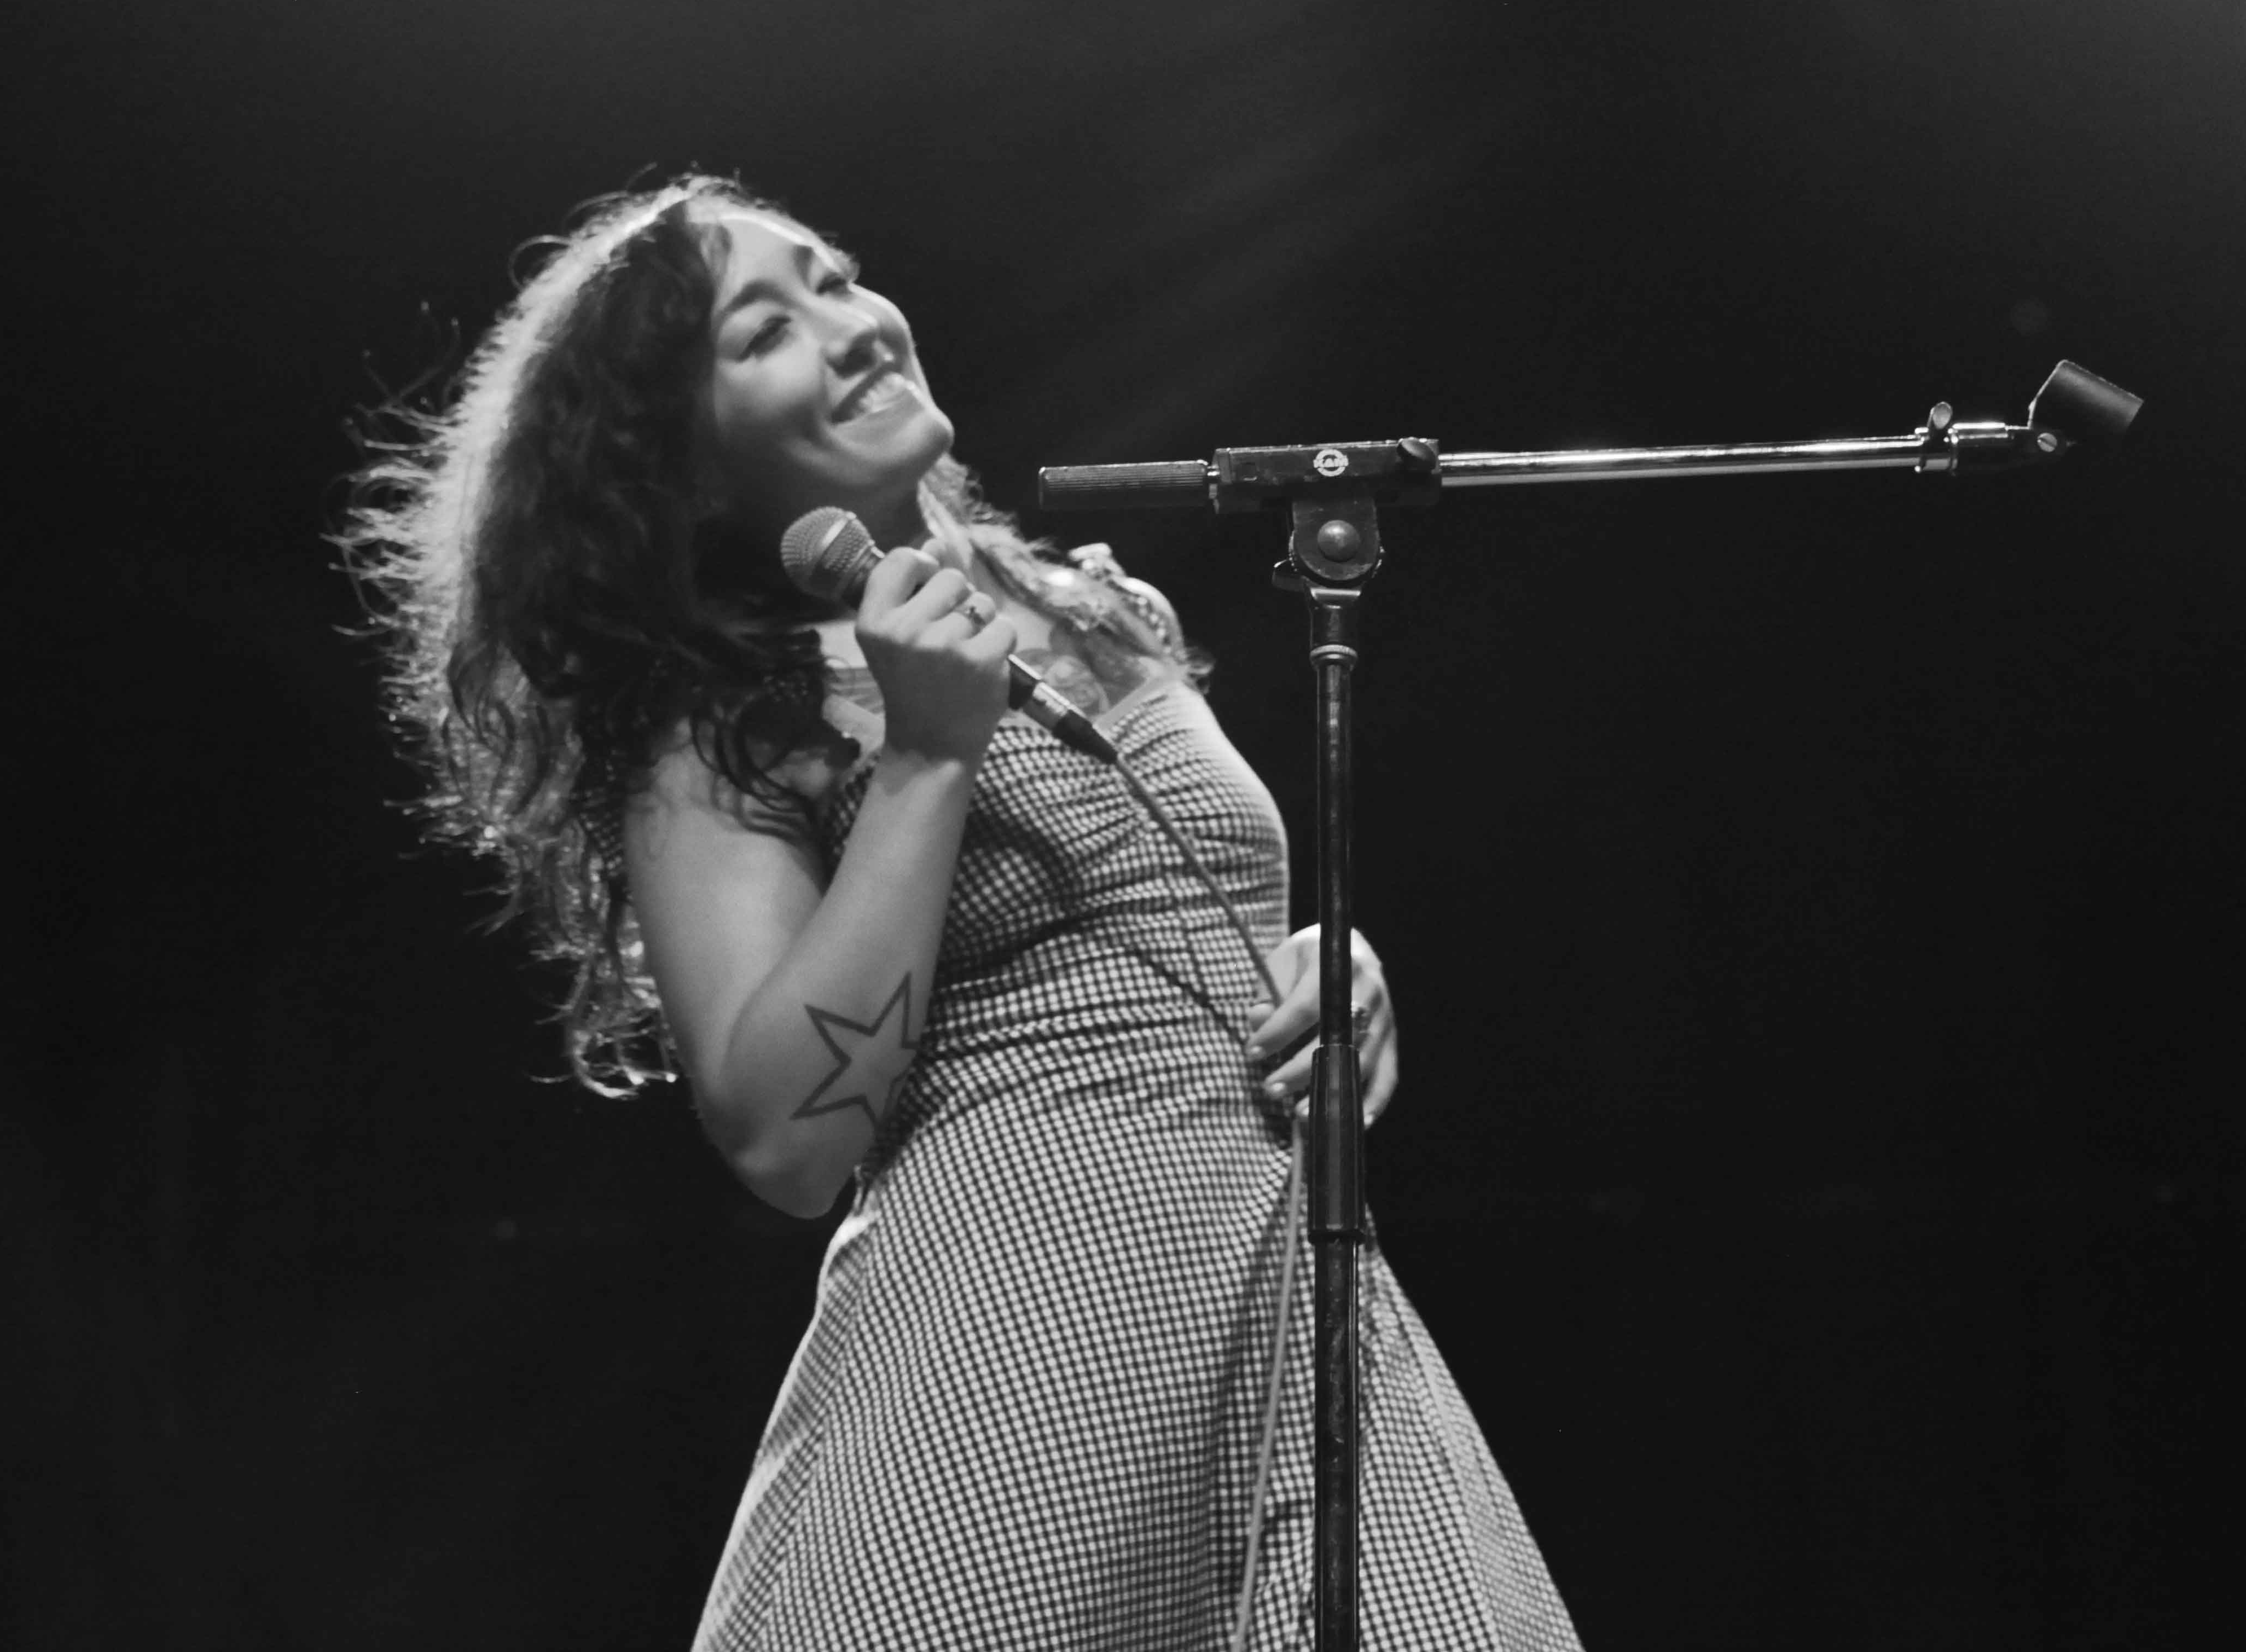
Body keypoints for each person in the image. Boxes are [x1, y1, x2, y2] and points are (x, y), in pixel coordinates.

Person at [350, 174, 1578, 1649]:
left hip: (1293, 1311)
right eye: (766, 330)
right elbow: (788, 1142)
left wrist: (1323, 963)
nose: (852, 325)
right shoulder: (726, 725)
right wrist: (929, 755)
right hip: (1025, 1351)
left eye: (836, 278)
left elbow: (1168, 908)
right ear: (686, 470)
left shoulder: (1102, 611)